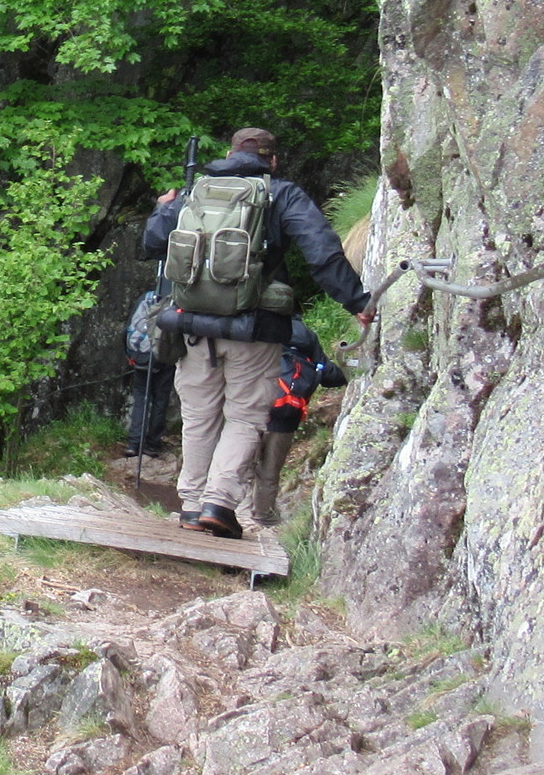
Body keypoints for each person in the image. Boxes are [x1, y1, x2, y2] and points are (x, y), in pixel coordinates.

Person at [141, 127, 372, 538]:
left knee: (198, 415)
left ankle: (191, 506)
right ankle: (219, 503)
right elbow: (321, 252)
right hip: (254, 329)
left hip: (192, 328)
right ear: (273, 160)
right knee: (245, 417)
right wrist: (357, 301)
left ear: (230, 154)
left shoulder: (197, 191)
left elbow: (153, 243)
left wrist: (163, 209)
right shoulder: (282, 194)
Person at [250, 318, 349, 530]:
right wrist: (349, 372)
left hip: (254, 407)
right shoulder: (307, 336)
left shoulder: (260, 324)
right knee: (269, 472)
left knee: (240, 462)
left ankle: (226, 508)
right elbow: (328, 374)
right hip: (287, 415)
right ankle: (263, 517)